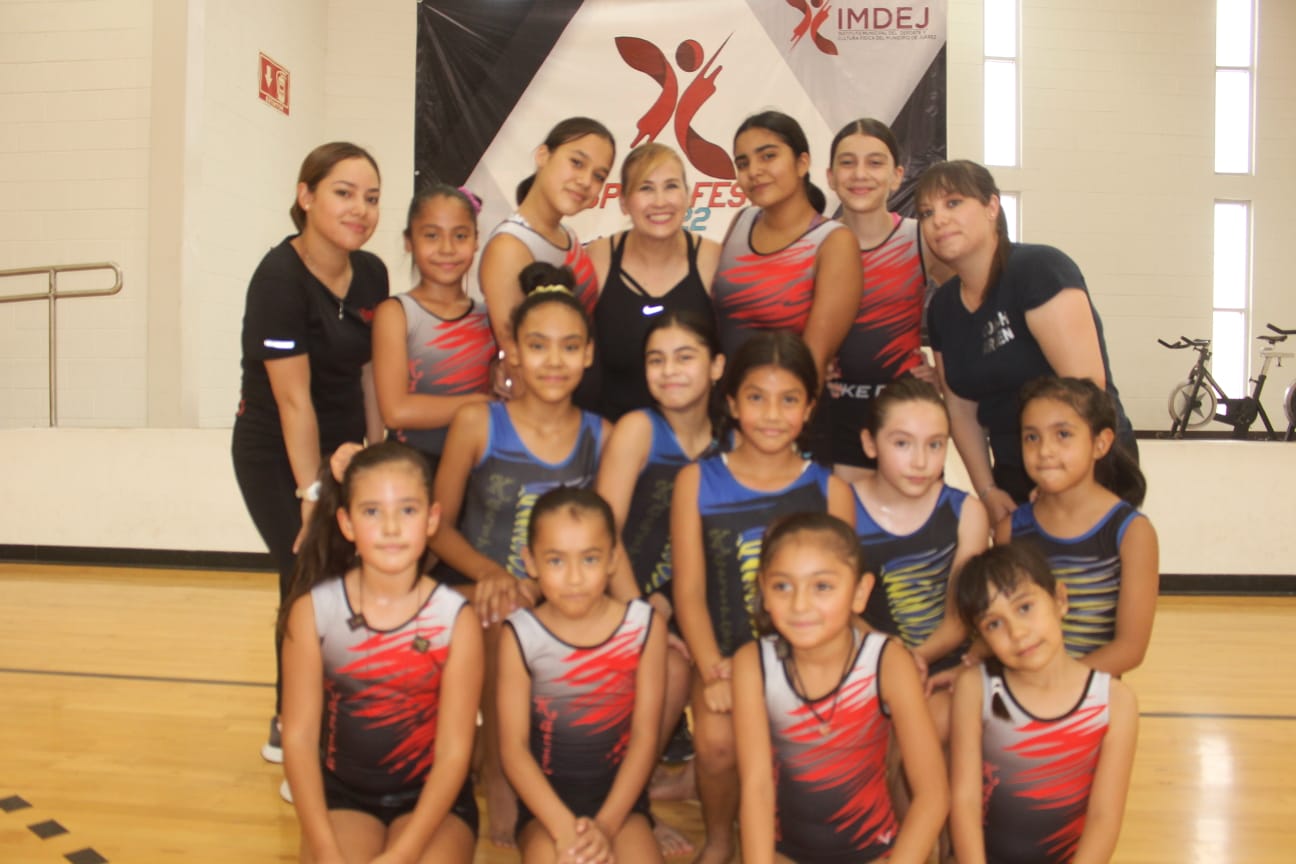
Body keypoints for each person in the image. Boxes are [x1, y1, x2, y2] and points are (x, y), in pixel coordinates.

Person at [428, 261, 609, 845]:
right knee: (496, 616)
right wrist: (492, 574)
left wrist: (549, 587)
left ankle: (557, 767)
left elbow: (604, 540)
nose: (554, 361)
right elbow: (436, 526)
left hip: (562, 595)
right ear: (513, 354)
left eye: (569, 347)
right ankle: (499, 778)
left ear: (588, 354)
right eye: (538, 346)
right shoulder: (477, 422)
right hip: (483, 589)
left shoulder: (601, 436)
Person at [671, 331, 856, 864]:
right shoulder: (696, 482)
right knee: (717, 743)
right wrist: (712, 670)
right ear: (731, 403)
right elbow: (689, 591)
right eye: (756, 397)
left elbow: (841, 603)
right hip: (726, 659)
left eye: (789, 399)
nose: (772, 414)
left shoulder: (830, 492)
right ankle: (720, 836)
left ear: (810, 408)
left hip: (808, 662)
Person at [231, 142, 388, 766]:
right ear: (306, 196)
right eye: (343, 193)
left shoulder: (371, 273)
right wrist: (312, 492)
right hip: (277, 452)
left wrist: (379, 460)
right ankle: (289, 722)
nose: (359, 209)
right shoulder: (278, 280)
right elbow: (293, 402)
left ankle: (342, 707)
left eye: (371, 198)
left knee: (347, 576)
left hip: (345, 446)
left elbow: (371, 375)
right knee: (305, 574)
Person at [279, 441, 483, 864]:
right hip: (344, 797)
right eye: (372, 512)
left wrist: (403, 854)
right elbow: (298, 739)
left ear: (432, 519)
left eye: (407, 510)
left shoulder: (455, 619)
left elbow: (454, 753)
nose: (391, 527)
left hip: (433, 801)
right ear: (346, 523)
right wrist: (325, 850)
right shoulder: (314, 612)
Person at [917, 159, 1135, 526]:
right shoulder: (943, 308)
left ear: (991, 206)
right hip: (1013, 471)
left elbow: (1086, 388)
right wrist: (987, 490)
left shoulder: (1038, 269)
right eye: (927, 212)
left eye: (953, 203)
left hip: (1086, 466)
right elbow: (961, 410)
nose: (938, 219)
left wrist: (1060, 479)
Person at [733, 513, 949, 864]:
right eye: (783, 586)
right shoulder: (753, 665)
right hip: (786, 853)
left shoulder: (887, 662)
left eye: (822, 586)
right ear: (764, 592)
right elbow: (757, 788)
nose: (800, 605)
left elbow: (932, 795)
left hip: (876, 853)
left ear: (859, 592)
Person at [595, 309, 725, 853]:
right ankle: (633, 807)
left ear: (716, 366)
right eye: (656, 359)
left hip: (690, 604)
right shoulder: (638, 430)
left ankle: (689, 781)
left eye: (684, 357)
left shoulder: (731, 440)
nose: (669, 370)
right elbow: (604, 534)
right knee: (666, 667)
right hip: (622, 596)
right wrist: (643, 613)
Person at [498, 487, 667, 864]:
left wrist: (605, 826)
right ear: (531, 563)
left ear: (613, 559)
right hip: (546, 810)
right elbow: (514, 749)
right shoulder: (521, 635)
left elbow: (645, 738)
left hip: (620, 808)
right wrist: (563, 829)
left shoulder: (643, 627)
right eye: (556, 561)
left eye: (589, 559)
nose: (574, 578)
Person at [949, 544, 1139, 864]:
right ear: (981, 637)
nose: (1017, 632)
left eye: (1024, 607)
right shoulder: (977, 689)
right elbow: (965, 800)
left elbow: (1104, 818)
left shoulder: (1115, 702)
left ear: (1060, 599)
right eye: (994, 624)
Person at [850, 376, 989, 737]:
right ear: (870, 443)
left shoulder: (967, 513)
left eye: (935, 444)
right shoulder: (842, 507)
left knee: (931, 725)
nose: (920, 461)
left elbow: (960, 618)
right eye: (902, 443)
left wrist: (916, 659)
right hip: (863, 660)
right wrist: (890, 660)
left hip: (942, 665)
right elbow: (837, 607)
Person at [998, 377, 1159, 677]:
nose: (1045, 450)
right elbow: (1002, 626)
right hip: (1024, 689)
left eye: (1063, 434)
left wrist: (1058, 686)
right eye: (1031, 437)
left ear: (1101, 443)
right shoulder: (1010, 531)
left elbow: (1130, 648)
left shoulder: (1132, 533)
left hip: (1092, 695)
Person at [825, 118, 951, 478]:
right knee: (841, 515)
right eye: (847, 162)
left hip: (906, 416)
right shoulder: (813, 243)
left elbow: (968, 305)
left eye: (875, 162)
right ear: (831, 177)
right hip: (834, 418)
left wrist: (947, 373)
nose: (860, 174)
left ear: (897, 176)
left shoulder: (920, 239)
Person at [480, 117, 615, 410]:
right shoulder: (509, 247)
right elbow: (515, 359)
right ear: (543, 155)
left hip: (580, 408)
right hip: (544, 418)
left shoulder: (567, 235)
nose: (586, 181)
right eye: (577, 163)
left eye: (599, 176)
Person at [587, 142, 720, 421]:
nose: (660, 201)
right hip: (612, 432)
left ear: (688, 196)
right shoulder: (597, 260)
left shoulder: (713, 259)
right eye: (645, 188)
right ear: (624, 202)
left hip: (695, 435)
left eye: (671, 186)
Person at [371, 184, 494, 476]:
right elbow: (395, 411)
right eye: (431, 235)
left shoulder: (488, 315)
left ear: (476, 240)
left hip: (477, 468)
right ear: (409, 241)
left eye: (460, 235)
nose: (447, 249)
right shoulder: (397, 314)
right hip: (411, 469)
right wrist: (480, 403)